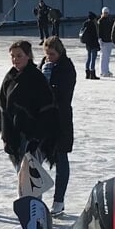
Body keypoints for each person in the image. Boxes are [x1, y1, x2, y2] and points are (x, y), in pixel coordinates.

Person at [0, 40, 55, 180]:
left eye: (19, 55)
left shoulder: (36, 78)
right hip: (14, 135)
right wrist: (6, 136)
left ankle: (33, 202)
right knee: (21, 177)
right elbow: (4, 109)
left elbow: (47, 110)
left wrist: (36, 138)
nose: (15, 59)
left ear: (28, 55)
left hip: (32, 136)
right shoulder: (9, 78)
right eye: (12, 56)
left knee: (32, 180)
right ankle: (25, 201)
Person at [39, 37, 76, 214]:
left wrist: (47, 85)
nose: (49, 57)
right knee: (36, 158)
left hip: (60, 119)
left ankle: (59, 200)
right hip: (43, 120)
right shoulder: (44, 63)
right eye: (46, 54)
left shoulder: (67, 67)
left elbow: (63, 94)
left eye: (52, 54)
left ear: (59, 52)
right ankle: (35, 198)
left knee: (61, 158)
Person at [78, 13, 99, 80]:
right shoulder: (92, 25)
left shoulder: (85, 23)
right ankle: (92, 73)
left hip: (88, 44)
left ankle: (87, 73)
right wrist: (97, 45)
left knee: (89, 58)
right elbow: (94, 36)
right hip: (93, 44)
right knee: (93, 59)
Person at [96, 6, 115, 77]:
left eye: (106, 13)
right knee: (103, 56)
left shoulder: (110, 20)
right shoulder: (100, 21)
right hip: (103, 41)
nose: (105, 14)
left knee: (107, 57)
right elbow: (98, 32)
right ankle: (103, 71)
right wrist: (99, 39)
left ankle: (106, 70)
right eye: (104, 13)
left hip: (109, 40)